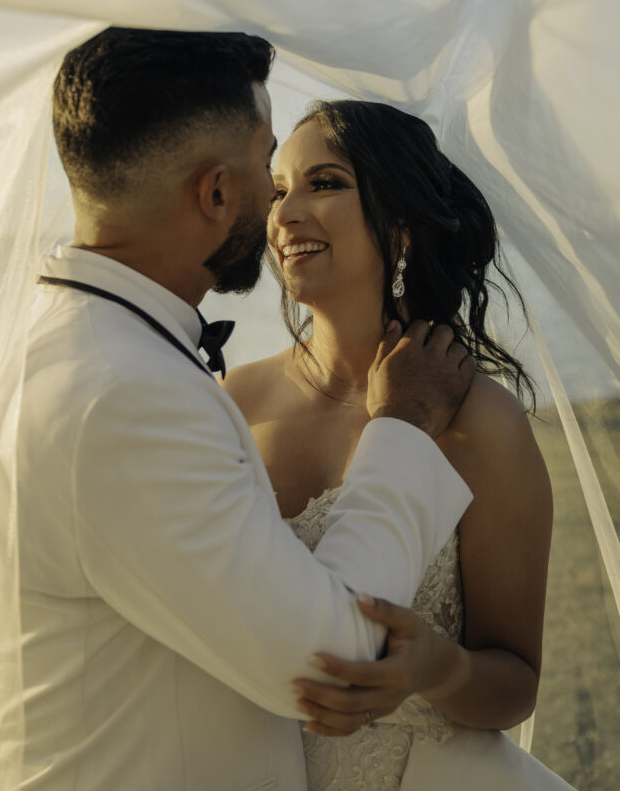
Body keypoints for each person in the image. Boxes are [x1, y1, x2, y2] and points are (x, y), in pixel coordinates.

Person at [2, 27, 476, 791]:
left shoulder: (52, 355)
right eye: (269, 172)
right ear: (218, 193)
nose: (279, 209)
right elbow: (338, 659)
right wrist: (400, 432)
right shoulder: (130, 397)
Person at [224, 99, 576, 790]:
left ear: (404, 225)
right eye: (277, 191)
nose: (286, 214)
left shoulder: (481, 423)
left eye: (324, 183)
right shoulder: (235, 402)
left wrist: (435, 668)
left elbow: (516, 682)